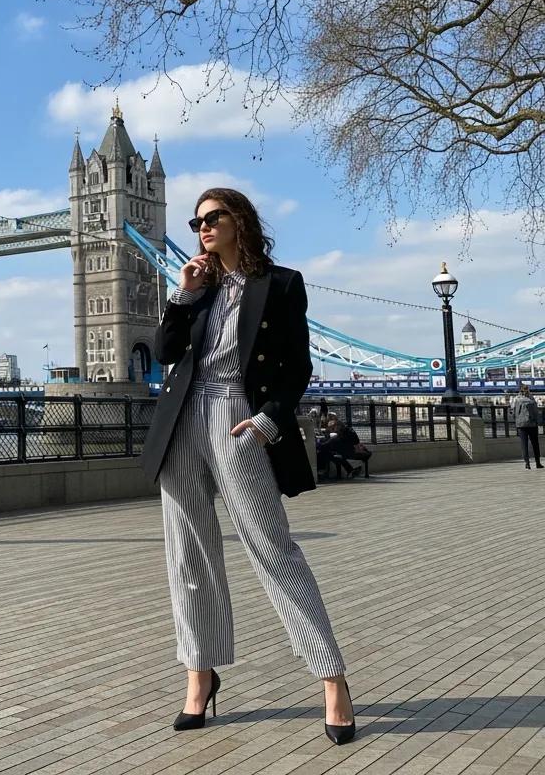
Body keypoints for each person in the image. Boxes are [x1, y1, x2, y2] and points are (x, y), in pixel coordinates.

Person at [141, 188, 355, 746]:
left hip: (240, 417)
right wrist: (182, 296)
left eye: (213, 217)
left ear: (241, 220)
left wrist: (268, 421)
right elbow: (165, 353)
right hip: (183, 423)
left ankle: (332, 678)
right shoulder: (198, 287)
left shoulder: (281, 285)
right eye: (196, 221)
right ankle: (200, 673)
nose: (203, 227)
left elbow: (299, 368)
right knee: (188, 557)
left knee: (273, 552)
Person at [324, 413, 371, 479]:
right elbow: (356, 441)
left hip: (350, 453)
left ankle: (344, 472)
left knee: (331, 455)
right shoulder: (349, 430)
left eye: (334, 428)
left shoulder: (338, 437)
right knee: (335, 454)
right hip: (354, 451)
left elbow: (327, 444)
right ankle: (350, 470)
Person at [510, 384, 542, 470]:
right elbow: (536, 412)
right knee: (535, 444)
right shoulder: (531, 399)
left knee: (524, 445)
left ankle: (527, 464)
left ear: (520, 391)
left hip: (521, 425)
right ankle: (538, 463)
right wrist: (537, 422)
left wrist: (517, 421)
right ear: (528, 390)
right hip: (532, 425)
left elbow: (513, 412)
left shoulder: (516, 399)